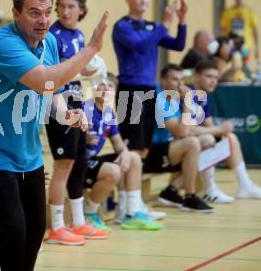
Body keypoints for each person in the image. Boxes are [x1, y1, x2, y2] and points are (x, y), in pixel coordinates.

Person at [0, 0, 108, 271]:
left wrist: (65, 113)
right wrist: (91, 49)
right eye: (33, 13)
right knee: (13, 230)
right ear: (16, 13)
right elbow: (43, 79)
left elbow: (50, 90)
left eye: (46, 12)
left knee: (35, 229)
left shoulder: (49, 43)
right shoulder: (0, 42)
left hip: (26, 152)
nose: (43, 20)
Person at [45, 0, 108, 246]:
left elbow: (82, 68)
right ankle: (57, 227)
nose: (65, 11)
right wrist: (83, 68)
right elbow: (56, 71)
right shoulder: (52, 35)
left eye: (71, 6)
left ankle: (79, 221)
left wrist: (98, 70)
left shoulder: (79, 35)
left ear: (81, 9)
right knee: (63, 164)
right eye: (62, 6)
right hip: (58, 104)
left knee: (79, 162)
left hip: (77, 101)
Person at [112, 0, 187, 159]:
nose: (143, 0)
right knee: (131, 149)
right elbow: (141, 46)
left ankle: (135, 187)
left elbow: (178, 45)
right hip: (130, 91)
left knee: (144, 148)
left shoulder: (152, 27)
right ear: (128, 0)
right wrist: (165, 24)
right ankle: (126, 187)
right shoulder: (123, 26)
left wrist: (181, 20)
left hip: (149, 90)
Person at [82, 74, 164, 230]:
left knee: (133, 157)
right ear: (94, 89)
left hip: (92, 160)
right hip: (79, 162)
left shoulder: (108, 113)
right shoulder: (85, 109)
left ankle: (132, 213)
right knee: (113, 171)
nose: (106, 88)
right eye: (101, 85)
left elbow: (118, 143)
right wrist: (81, 138)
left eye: (110, 86)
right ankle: (89, 213)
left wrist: (125, 153)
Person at [186, 60, 261, 202]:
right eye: (209, 76)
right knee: (209, 138)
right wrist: (218, 129)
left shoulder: (203, 96)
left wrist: (221, 132)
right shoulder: (188, 94)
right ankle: (209, 190)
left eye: (215, 77)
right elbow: (188, 130)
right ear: (196, 76)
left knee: (230, 137)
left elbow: (209, 126)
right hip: (179, 144)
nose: (213, 81)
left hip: (194, 142)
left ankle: (245, 185)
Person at [148, 64, 213, 212]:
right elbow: (182, 131)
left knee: (207, 141)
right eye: (175, 79)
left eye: (182, 79)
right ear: (163, 81)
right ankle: (190, 196)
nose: (180, 84)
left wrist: (215, 131)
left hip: (166, 146)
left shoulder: (172, 96)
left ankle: (171, 190)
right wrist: (188, 102)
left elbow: (187, 128)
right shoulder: (158, 98)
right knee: (192, 143)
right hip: (150, 151)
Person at [220, 0, 259, 65]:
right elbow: (223, 29)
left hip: (246, 45)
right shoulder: (228, 12)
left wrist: (257, 47)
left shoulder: (249, 11)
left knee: (245, 64)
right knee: (232, 64)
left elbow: (255, 30)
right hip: (232, 44)